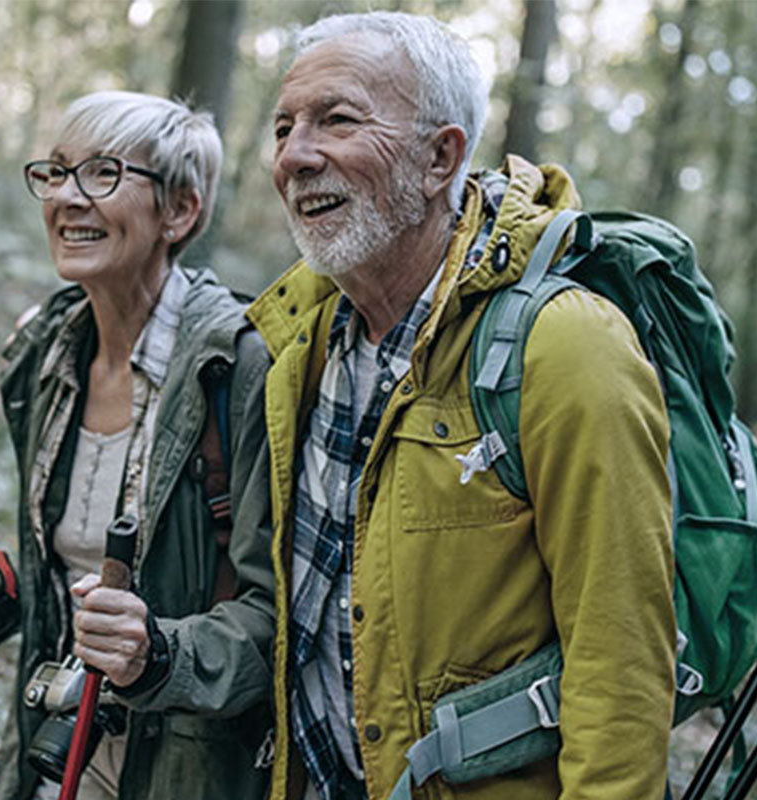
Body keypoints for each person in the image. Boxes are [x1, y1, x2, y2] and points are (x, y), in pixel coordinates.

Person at [245, 12, 676, 800]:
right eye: (284, 127)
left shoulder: (565, 349)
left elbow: (621, 667)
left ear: (440, 156)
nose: (295, 156)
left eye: (336, 119)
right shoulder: (298, 345)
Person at [0, 91, 274, 800]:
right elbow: (72, 579)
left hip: (183, 771)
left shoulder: (239, 368)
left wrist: (158, 655)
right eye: (54, 172)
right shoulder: (44, 359)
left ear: (180, 212)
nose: (67, 199)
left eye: (103, 174)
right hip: (57, 758)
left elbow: (280, 620)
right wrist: (0, 592)